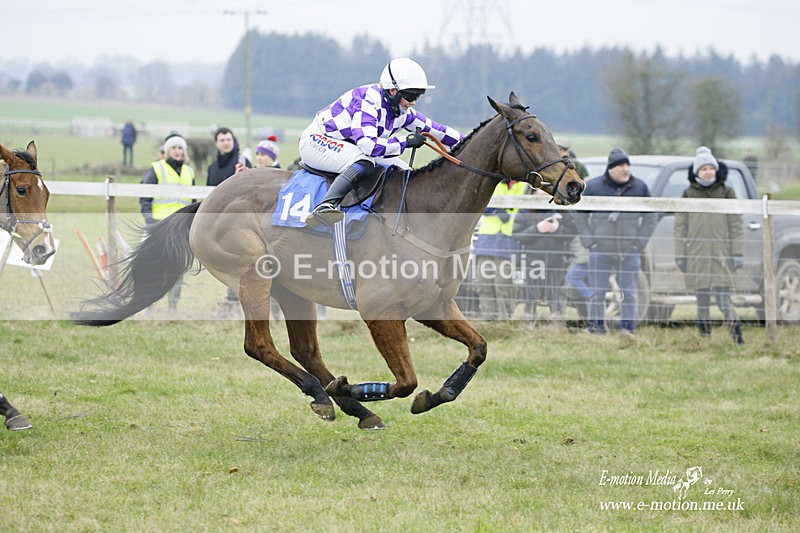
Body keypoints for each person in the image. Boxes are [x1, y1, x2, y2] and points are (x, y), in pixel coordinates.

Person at [299, 57, 464, 227]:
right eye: (410, 95)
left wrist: (472, 139)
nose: (413, 102)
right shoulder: (368, 100)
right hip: (318, 141)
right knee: (364, 162)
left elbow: (437, 130)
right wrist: (405, 142)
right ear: (393, 91)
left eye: (417, 96)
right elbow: (369, 146)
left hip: (350, 146)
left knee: (404, 172)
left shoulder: (402, 111)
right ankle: (326, 206)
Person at [574, 147, 658, 337]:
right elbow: (579, 216)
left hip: (629, 251)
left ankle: (628, 330)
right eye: (620, 165)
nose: (625, 169)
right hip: (599, 250)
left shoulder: (640, 187)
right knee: (598, 293)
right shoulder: (594, 187)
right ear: (610, 168)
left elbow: (651, 217)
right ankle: (596, 328)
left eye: (627, 165)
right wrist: (590, 243)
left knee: (629, 293)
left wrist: (639, 243)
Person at [675, 146, 744, 344]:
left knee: (724, 300)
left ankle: (737, 338)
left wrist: (737, 252)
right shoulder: (688, 194)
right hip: (697, 255)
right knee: (702, 300)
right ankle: (704, 338)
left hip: (721, 255)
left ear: (716, 169)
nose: (708, 172)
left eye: (710, 168)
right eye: (703, 169)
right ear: (697, 172)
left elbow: (736, 224)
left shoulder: (726, 192)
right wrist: (680, 254)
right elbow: (680, 226)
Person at [140, 134, 195, 313]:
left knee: (177, 269)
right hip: (159, 226)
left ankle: (173, 306)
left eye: (180, 148)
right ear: (167, 151)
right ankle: (148, 305)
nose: (177, 151)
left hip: (181, 229)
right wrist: (149, 220)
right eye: (174, 148)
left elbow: (192, 200)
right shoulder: (156, 169)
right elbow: (145, 196)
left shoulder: (189, 172)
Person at [513, 188, 578, 321]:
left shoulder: (561, 208)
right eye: (539, 190)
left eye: (545, 190)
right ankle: (529, 321)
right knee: (531, 293)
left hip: (557, 260)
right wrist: (536, 229)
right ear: (532, 193)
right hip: (532, 260)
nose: (543, 193)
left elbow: (572, 231)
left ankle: (557, 322)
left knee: (555, 292)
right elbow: (517, 235)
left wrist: (557, 229)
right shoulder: (525, 210)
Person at [207, 127, 251, 316]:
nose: (226, 142)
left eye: (229, 139)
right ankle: (231, 302)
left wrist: (245, 173)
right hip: (218, 223)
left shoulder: (242, 162)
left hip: (239, 222)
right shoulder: (212, 168)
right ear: (217, 143)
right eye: (222, 139)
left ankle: (236, 303)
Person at [472, 178, 528, 320]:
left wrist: (505, 213)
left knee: (502, 283)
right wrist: (498, 209)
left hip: (508, 238)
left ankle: (504, 320)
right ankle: (488, 319)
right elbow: (480, 203)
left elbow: (526, 209)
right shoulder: (493, 182)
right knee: (483, 282)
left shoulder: (524, 185)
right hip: (487, 238)